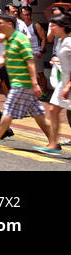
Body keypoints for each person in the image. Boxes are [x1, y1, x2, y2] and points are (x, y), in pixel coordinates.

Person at [0, 12, 55, 150]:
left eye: (0, 23)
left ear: (10, 24)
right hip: (21, 83)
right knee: (38, 114)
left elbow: (30, 61)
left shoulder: (20, 39)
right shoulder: (9, 39)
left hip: (22, 83)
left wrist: (35, 83)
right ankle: (54, 142)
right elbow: (2, 60)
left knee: (8, 109)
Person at [40, 14, 71, 153]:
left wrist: (68, 86)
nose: (50, 28)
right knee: (53, 110)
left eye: (53, 25)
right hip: (63, 81)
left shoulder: (69, 41)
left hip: (69, 82)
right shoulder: (60, 41)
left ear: (63, 26)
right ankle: (53, 143)